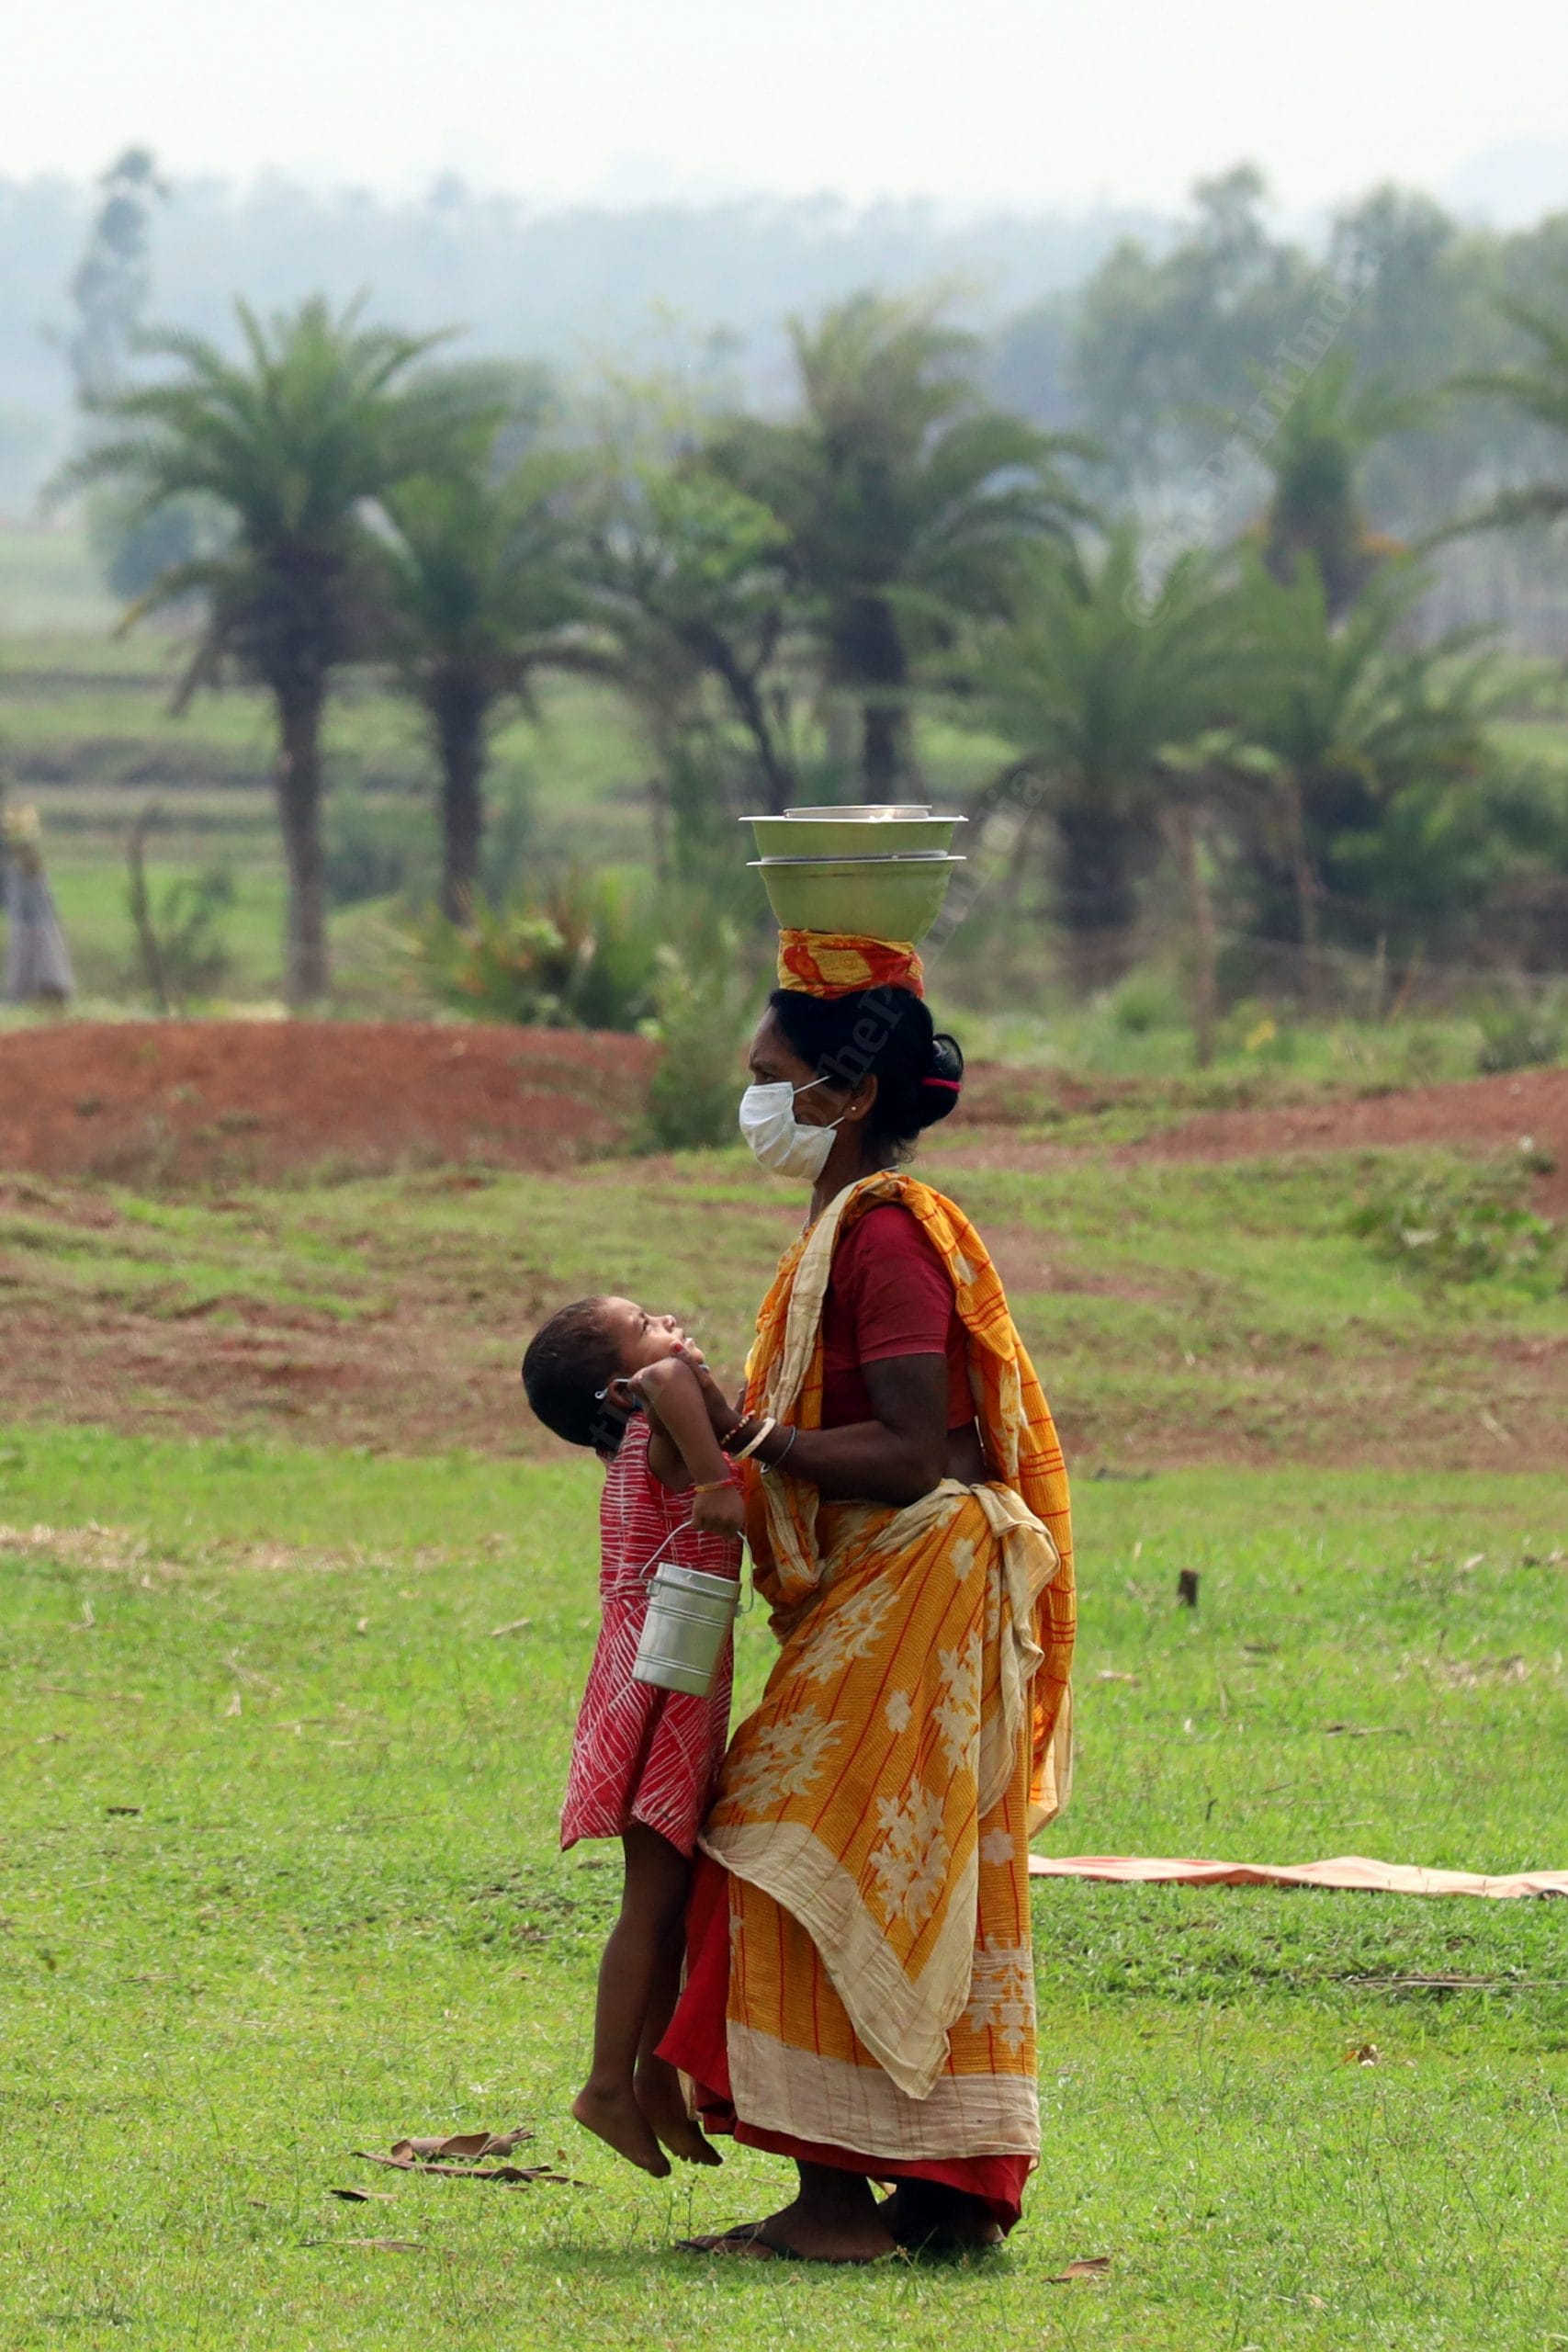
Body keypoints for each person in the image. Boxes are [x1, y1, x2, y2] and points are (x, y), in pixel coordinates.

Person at [659, 930, 1077, 2264]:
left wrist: (746, 1436)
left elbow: (908, 1452)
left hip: (920, 1579)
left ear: (841, 1095)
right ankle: (926, 2189)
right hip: (884, 1588)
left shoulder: (886, 1235)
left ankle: (835, 2209)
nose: (754, 1102)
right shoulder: (839, 1227)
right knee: (873, 1867)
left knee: (787, 1852)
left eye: (769, 1074)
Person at [521, 1293, 746, 2179]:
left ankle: (653, 2079)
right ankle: (607, 2083)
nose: (674, 1326)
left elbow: (666, 1377)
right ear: (621, 1387)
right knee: (649, 1906)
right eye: (647, 1320)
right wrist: (722, 1482)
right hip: (664, 1684)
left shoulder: (644, 1448)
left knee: (667, 1898)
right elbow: (667, 1377)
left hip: (664, 1674)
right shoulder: (661, 1432)